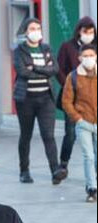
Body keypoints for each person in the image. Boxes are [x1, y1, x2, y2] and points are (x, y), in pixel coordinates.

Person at [13, 18, 67, 185]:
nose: (36, 31)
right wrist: (44, 70)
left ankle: (55, 171)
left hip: (46, 98)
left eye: (38, 28)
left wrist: (35, 68)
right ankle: (24, 170)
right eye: (32, 28)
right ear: (26, 32)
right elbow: (22, 71)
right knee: (26, 135)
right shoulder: (20, 50)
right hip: (26, 99)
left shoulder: (46, 48)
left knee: (48, 135)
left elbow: (54, 69)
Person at [56, 17, 96, 174]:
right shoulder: (68, 47)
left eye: (91, 32)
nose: (88, 34)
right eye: (85, 31)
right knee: (71, 133)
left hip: (93, 99)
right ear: (79, 31)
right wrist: (69, 85)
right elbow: (59, 69)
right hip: (73, 98)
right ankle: (63, 164)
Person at [61, 44, 97, 202]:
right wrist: (78, 118)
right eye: (86, 55)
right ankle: (91, 188)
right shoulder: (73, 76)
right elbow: (66, 101)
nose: (89, 58)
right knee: (88, 156)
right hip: (83, 123)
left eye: (92, 55)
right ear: (80, 58)